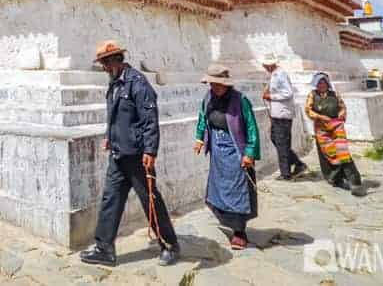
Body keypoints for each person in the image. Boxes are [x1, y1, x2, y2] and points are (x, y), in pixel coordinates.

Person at [79, 41, 180, 267]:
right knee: (110, 200)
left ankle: (169, 244)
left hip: (137, 155)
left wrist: (150, 150)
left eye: (106, 62)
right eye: (102, 63)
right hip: (118, 154)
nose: (104, 67)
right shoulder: (115, 84)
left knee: (150, 200)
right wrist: (109, 135)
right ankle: (104, 248)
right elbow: (114, 115)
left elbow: (149, 118)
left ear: (116, 60)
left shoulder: (137, 83)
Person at [193, 64, 260, 250]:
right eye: (211, 84)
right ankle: (225, 219)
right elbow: (202, 118)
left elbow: (251, 127)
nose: (213, 87)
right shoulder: (208, 98)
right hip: (217, 151)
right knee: (220, 188)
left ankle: (239, 231)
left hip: (236, 150)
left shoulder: (240, 100)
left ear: (226, 84)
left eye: (217, 84)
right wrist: (199, 138)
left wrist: (249, 152)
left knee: (238, 189)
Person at [305, 72, 364, 195]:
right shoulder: (312, 95)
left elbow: (342, 107)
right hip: (322, 129)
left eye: (324, 82)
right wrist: (320, 117)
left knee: (343, 153)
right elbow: (308, 110)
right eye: (319, 83)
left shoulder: (335, 94)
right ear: (316, 84)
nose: (322, 85)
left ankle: (355, 182)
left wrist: (341, 116)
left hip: (336, 127)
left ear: (327, 84)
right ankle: (335, 178)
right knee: (330, 153)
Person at [262, 60, 307, 180]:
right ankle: (297, 163)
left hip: (283, 114)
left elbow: (288, 93)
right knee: (276, 139)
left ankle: (286, 173)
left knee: (282, 142)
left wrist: (271, 97)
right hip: (277, 114)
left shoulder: (280, 74)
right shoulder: (274, 75)